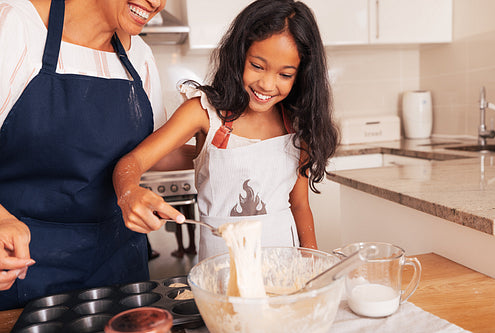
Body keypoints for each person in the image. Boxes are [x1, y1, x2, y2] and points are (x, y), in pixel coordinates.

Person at [113, 0, 340, 261]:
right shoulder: (203, 112)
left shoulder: (298, 125)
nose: (267, 84)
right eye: (257, 66)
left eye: (285, 74)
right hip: (220, 271)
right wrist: (128, 192)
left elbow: (300, 205)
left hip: (284, 271)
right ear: (239, 55)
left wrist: (312, 261)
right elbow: (133, 161)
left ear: (301, 76)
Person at [0, 0, 172, 310]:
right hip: (24, 270)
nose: (157, 2)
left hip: (121, 269)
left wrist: (218, 140)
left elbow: (151, 153)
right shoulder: (16, 26)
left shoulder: (140, 56)